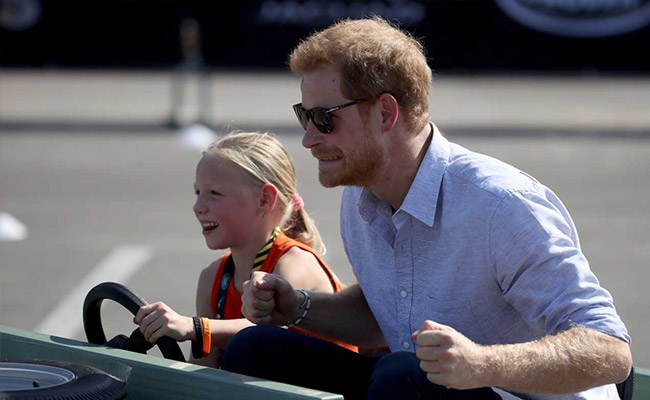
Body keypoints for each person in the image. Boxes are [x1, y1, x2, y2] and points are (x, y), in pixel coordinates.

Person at [221, 17, 633, 400]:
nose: (309, 138)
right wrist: (298, 308)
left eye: (324, 118)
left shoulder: (499, 204)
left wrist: (483, 364)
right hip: (416, 385)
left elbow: (611, 351)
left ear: (385, 113)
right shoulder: (361, 195)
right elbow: (390, 311)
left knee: (401, 376)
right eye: (303, 116)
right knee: (255, 348)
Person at [134, 131, 356, 367]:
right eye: (198, 192)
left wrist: (194, 327)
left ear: (264, 200)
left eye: (214, 194)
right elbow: (203, 374)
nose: (198, 207)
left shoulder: (294, 263)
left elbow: (265, 334)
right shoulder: (212, 278)